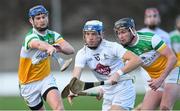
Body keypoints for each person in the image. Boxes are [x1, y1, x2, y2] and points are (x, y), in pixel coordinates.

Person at [68, 20, 142, 111]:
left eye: (94, 34)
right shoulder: (82, 53)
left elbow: (137, 60)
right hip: (107, 93)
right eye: (87, 34)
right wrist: (72, 89)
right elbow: (75, 76)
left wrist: (118, 73)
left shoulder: (113, 47)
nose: (90, 38)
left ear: (101, 34)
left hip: (123, 87)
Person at [114, 17, 180, 110]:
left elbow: (172, 58)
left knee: (165, 108)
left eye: (123, 32)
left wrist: (161, 79)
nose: (120, 36)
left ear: (132, 30)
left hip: (172, 72)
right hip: (154, 80)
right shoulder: (124, 49)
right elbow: (118, 69)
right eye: (118, 33)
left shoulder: (150, 38)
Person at [18, 5, 75, 110]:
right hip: (27, 83)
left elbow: (70, 49)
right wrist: (48, 47)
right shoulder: (30, 37)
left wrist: (58, 48)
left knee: (59, 109)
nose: (42, 20)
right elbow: (38, 44)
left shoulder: (53, 35)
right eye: (38, 18)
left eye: (44, 17)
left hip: (45, 79)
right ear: (31, 21)